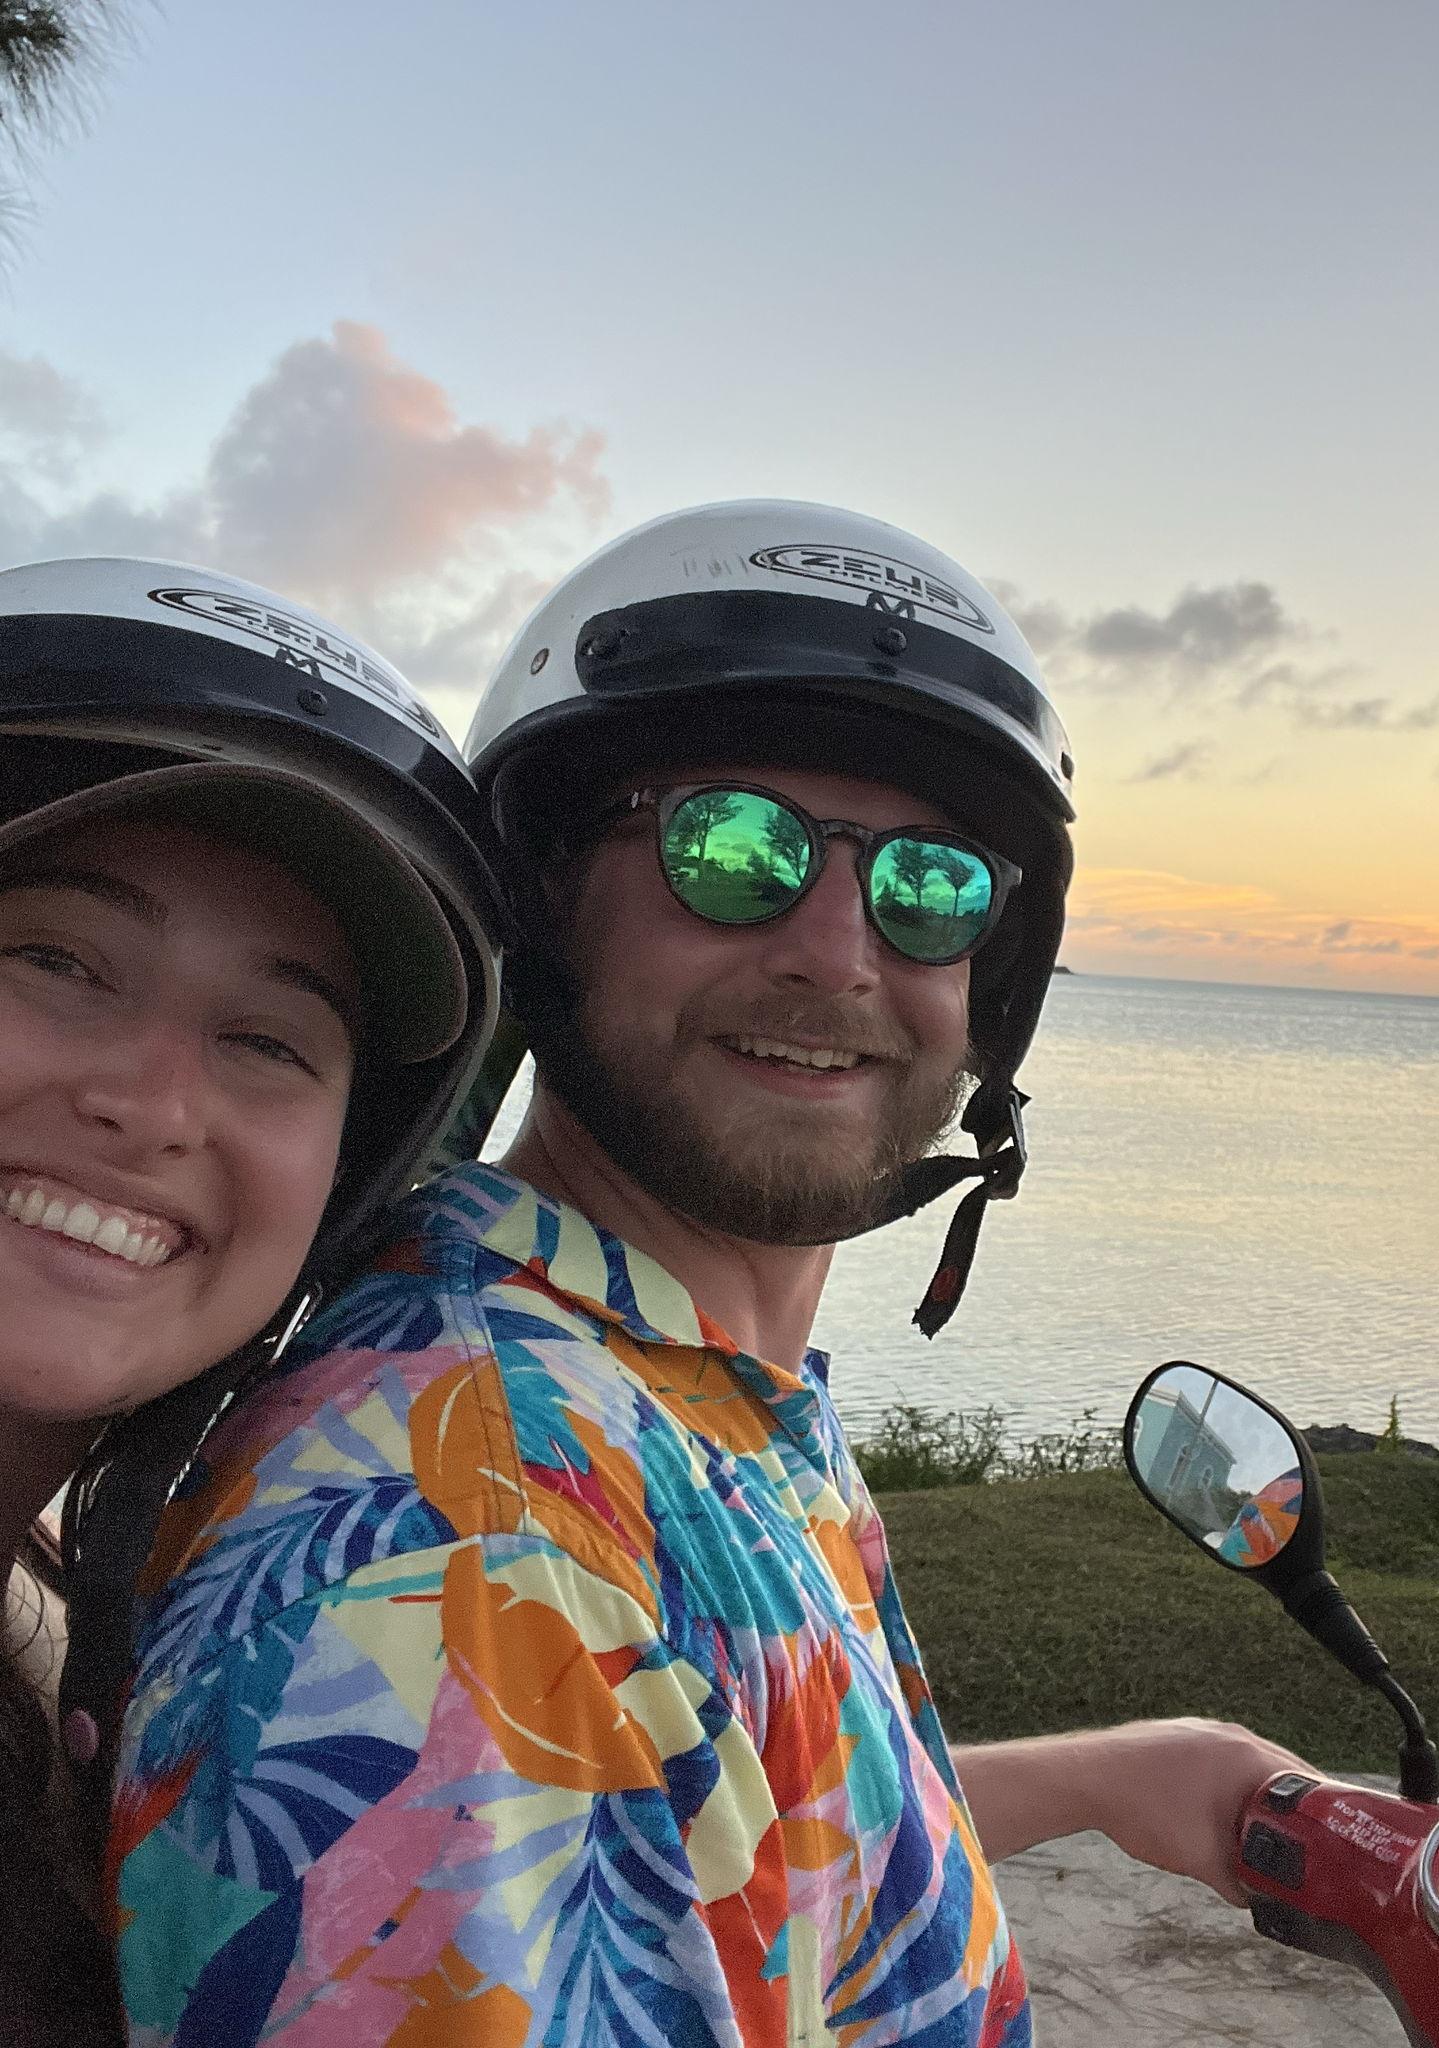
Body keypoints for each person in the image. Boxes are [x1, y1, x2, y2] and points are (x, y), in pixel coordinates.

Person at [109, 503, 1302, 2046]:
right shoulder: (471, 1535)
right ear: (545, 909)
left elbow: (737, 1828)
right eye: (729, 848)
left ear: (986, 980)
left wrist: (1123, 1774)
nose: (837, 952)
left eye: (931, 888)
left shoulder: (662, 1383)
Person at [0, 556, 500, 2046]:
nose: (154, 1108)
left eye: (271, 1040)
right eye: (54, 960)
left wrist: (1098, 1783)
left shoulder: (58, 1602)